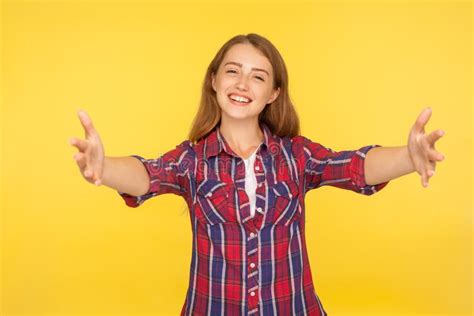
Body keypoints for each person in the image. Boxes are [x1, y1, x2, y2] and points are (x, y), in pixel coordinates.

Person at [69, 33, 446, 315]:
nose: (242, 85)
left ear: (273, 93)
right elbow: (146, 176)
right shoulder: (193, 160)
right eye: (233, 72)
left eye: (258, 77)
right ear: (214, 80)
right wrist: (104, 166)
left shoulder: (296, 156)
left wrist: (408, 157)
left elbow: (355, 167)